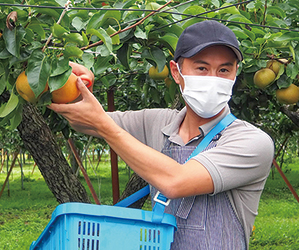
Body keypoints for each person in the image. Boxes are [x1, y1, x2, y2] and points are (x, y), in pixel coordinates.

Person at [49, 20, 274, 250]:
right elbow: (88, 122)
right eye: (202, 68)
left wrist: (103, 124)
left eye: (224, 70)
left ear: (236, 73)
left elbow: (176, 182)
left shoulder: (252, 142)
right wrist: (72, 85)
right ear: (176, 72)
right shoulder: (159, 122)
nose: (212, 79)